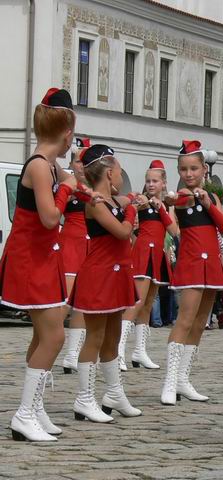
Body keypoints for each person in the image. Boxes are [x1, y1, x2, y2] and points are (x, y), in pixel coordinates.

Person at [1, 88, 89, 441]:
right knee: (55, 334)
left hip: (41, 257)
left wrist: (77, 186)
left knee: (44, 334)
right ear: (67, 132)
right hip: (30, 260)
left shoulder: (50, 165)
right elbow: (51, 217)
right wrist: (68, 188)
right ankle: (24, 413)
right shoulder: (40, 166)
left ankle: (35, 408)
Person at [67, 144, 141, 422]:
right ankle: (84, 398)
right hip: (99, 276)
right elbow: (123, 232)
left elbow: (123, 201)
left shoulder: (108, 200)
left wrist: (134, 200)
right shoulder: (95, 204)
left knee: (113, 337)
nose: (121, 176)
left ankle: (113, 392)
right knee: (95, 338)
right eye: (120, 171)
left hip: (116, 273)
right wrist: (133, 209)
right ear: (110, 173)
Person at [160, 140, 223, 406]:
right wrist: (170, 199)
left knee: (200, 323)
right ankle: (169, 381)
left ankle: (183, 379)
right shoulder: (182, 196)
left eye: (193, 169)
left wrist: (208, 202)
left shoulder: (210, 197)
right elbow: (175, 200)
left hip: (211, 265)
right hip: (191, 263)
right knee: (185, 321)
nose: (188, 174)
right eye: (183, 169)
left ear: (204, 169)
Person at [118, 160, 178, 370]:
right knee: (137, 301)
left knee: (148, 303)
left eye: (155, 181)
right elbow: (130, 204)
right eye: (148, 181)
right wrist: (139, 202)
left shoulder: (166, 206)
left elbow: (173, 231)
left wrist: (161, 207)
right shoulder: (142, 200)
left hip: (158, 255)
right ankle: (119, 350)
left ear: (164, 183)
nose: (151, 184)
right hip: (143, 253)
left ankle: (139, 351)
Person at [61, 137, 92, 374]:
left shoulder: (97, 185)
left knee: (82, 300)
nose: (80, 165)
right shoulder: (67, 182)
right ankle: (51, 343)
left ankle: (73, 353)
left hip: (91, 244)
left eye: (84, 160)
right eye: (77, 160)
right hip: (71, 240)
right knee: (66, 297)